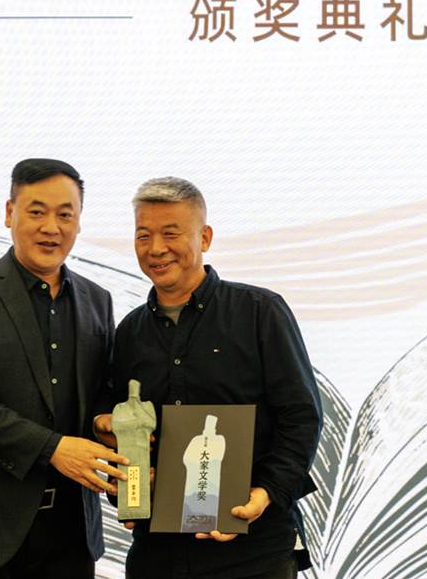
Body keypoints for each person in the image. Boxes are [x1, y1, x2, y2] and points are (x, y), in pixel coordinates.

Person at [97, 177, 322, 579]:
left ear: (205, 237)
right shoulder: (130, 332)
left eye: (171, 233)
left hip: (253, 547)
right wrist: (127, 481)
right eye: (143, 235)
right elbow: (122, 429)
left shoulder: (259, 311)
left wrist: (265, 492)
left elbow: (301, 416)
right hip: (157, 552)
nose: (156, 248)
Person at [0, 158, 128, 578]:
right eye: (37, 212)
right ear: (9, 213)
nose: (51, 227)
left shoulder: (98, 300)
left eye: (65, 215)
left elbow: (101, 392)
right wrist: (53, 448)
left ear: (79, 222)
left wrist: (104, 421)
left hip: (71, 535)